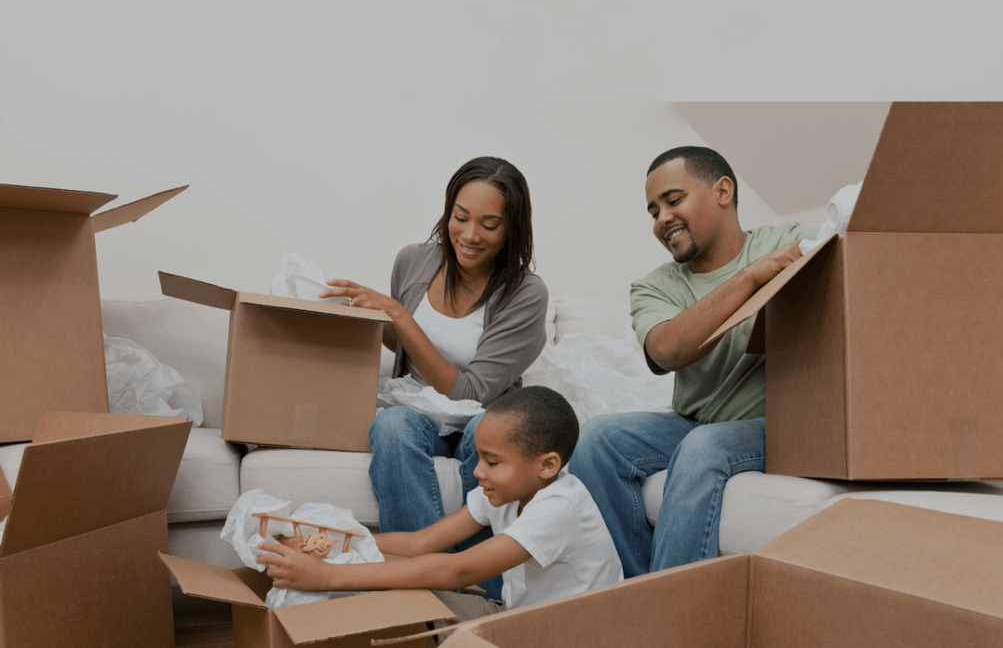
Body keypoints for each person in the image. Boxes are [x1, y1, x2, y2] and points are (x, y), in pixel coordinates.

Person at [568, 146, 815, 578]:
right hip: (694, 420)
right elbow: (666, 351)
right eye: (652, 211)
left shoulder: (783, 242)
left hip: (774, 423)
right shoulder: (654, 286)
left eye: (673, 200)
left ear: (722, 191)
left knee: (703, 448)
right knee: (596, 440)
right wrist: (751, 277)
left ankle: (667, 616)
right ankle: (643, 593)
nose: (661, 218)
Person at [320, 157, 548, 599]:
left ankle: (483, 593)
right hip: (416, 408)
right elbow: (403, 346)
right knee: (390, 425)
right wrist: (357, 318)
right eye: (460, 218)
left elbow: (470, 392)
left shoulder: (526, 293)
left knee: (490, 433)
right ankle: (419, 592)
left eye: (489, 224)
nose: (469, 235)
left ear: (512, 230)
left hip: (484, 414)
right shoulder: (414, 261)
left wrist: (397, 314)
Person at [258, 386, 623, 610]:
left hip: (566, 636)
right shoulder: (503, 492)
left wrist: (326, 577)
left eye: (492, 462)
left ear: (547, 465)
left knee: (390, 603)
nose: (478, 472)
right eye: (478, 458)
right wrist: (330, 543)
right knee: (388, 597)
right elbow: (419, 543)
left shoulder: (560, 507)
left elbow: (457, 570)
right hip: (518, 621)